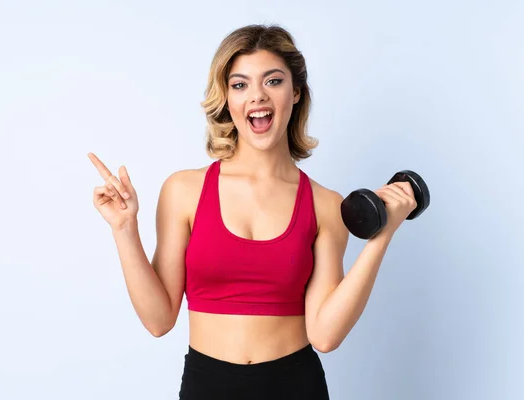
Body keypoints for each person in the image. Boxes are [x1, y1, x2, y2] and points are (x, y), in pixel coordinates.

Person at [88, 24, 417, 400]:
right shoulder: (184, 191)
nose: (257, 96)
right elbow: (159, 320)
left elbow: (325, 336)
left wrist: (381, 236)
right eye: (240, 85)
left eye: (273, 81)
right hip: (207, 385)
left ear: (295, 92)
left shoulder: (325, 205)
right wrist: (124, 229)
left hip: (296, 385)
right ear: (227, 98)